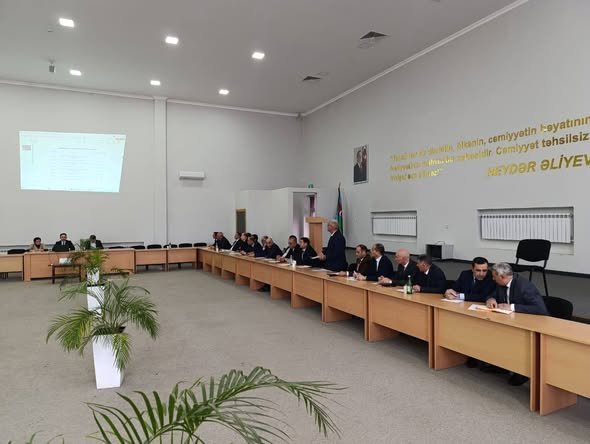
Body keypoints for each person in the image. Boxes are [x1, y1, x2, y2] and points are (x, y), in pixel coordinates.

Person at [486, 262, 548, 386]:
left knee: (516, 339)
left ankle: (523, 373)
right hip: (511, 320)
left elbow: (540, 309)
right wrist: (491, 299)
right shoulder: (501, 283)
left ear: (502, 276)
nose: (492, 279)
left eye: (494, 276)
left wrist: (512, 307)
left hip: (530, 323)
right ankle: (501, 365)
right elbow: (493, 294)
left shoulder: (524, 286)